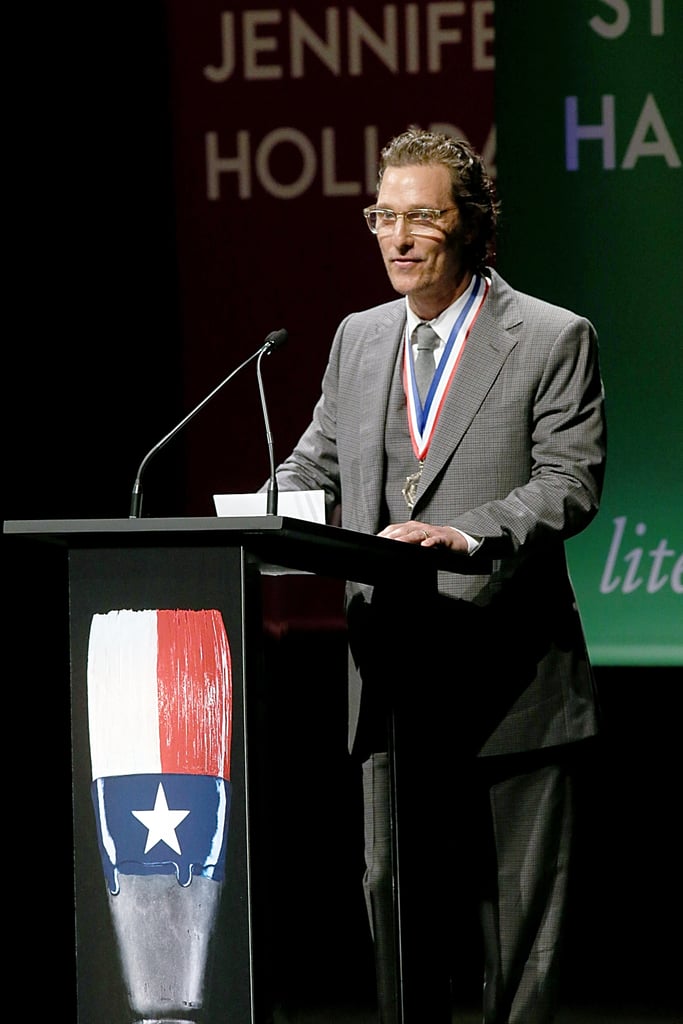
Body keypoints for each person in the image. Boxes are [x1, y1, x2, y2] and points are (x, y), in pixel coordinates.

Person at [268, 126, 607, 1023]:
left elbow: (567, 484)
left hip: (512, 681)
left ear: (471, 227)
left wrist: (461, 536)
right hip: (391, 683)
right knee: (399, 920)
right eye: (384, 216)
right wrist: (265, 512)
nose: (398, 237)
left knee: (516, 942)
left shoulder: (549, 337)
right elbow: (314, 464)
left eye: (421, 217)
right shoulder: (360, 338)